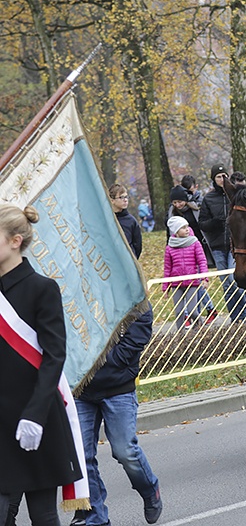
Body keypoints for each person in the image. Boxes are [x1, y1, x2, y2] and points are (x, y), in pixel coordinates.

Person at [68, 191, 162, 526]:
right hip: (81, 387)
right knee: (82, 457)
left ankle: (150, 489)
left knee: (125, 452)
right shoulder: (69, 282)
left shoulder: (125, 279)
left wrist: (116, 363)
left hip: (118, 384)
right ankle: (95, 517)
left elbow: (142, 324)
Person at [0, 205, 84, 525]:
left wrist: (35, 415)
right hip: (0, 419)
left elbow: (53, 356)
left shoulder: (42, 289)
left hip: (34, 418)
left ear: (14, 241)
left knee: (43, 514)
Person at [199, 164, 246, 323]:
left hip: (235, 244)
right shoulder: (208, 198)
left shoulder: (235, 195)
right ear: (214, 179)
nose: (222, 179)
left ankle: (244, 313)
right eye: (218, 176)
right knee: (226, 285)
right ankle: (235, 320)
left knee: (233, 280)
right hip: (217, 246)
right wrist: (215, 222)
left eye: (224, 176)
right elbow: (202, 223)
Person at [163, 216, 208, 329]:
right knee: (179, 312)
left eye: (187, 226)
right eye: (183, 228)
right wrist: (165, 287)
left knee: (193, 311)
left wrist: (204, 278)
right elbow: (167, 267)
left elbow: (202, 261)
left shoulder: (195, 243)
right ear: (176, 231)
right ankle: (181, 337)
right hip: (176, 283)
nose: (187, 229)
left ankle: (200, 330)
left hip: (192, 282)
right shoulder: (170, 247)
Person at [108, 184, 142, 259]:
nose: (125, 200)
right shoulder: (106, 220)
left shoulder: (131, 221)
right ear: (112, 200)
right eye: (121, 197)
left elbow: (137, 245)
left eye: (126, 197)